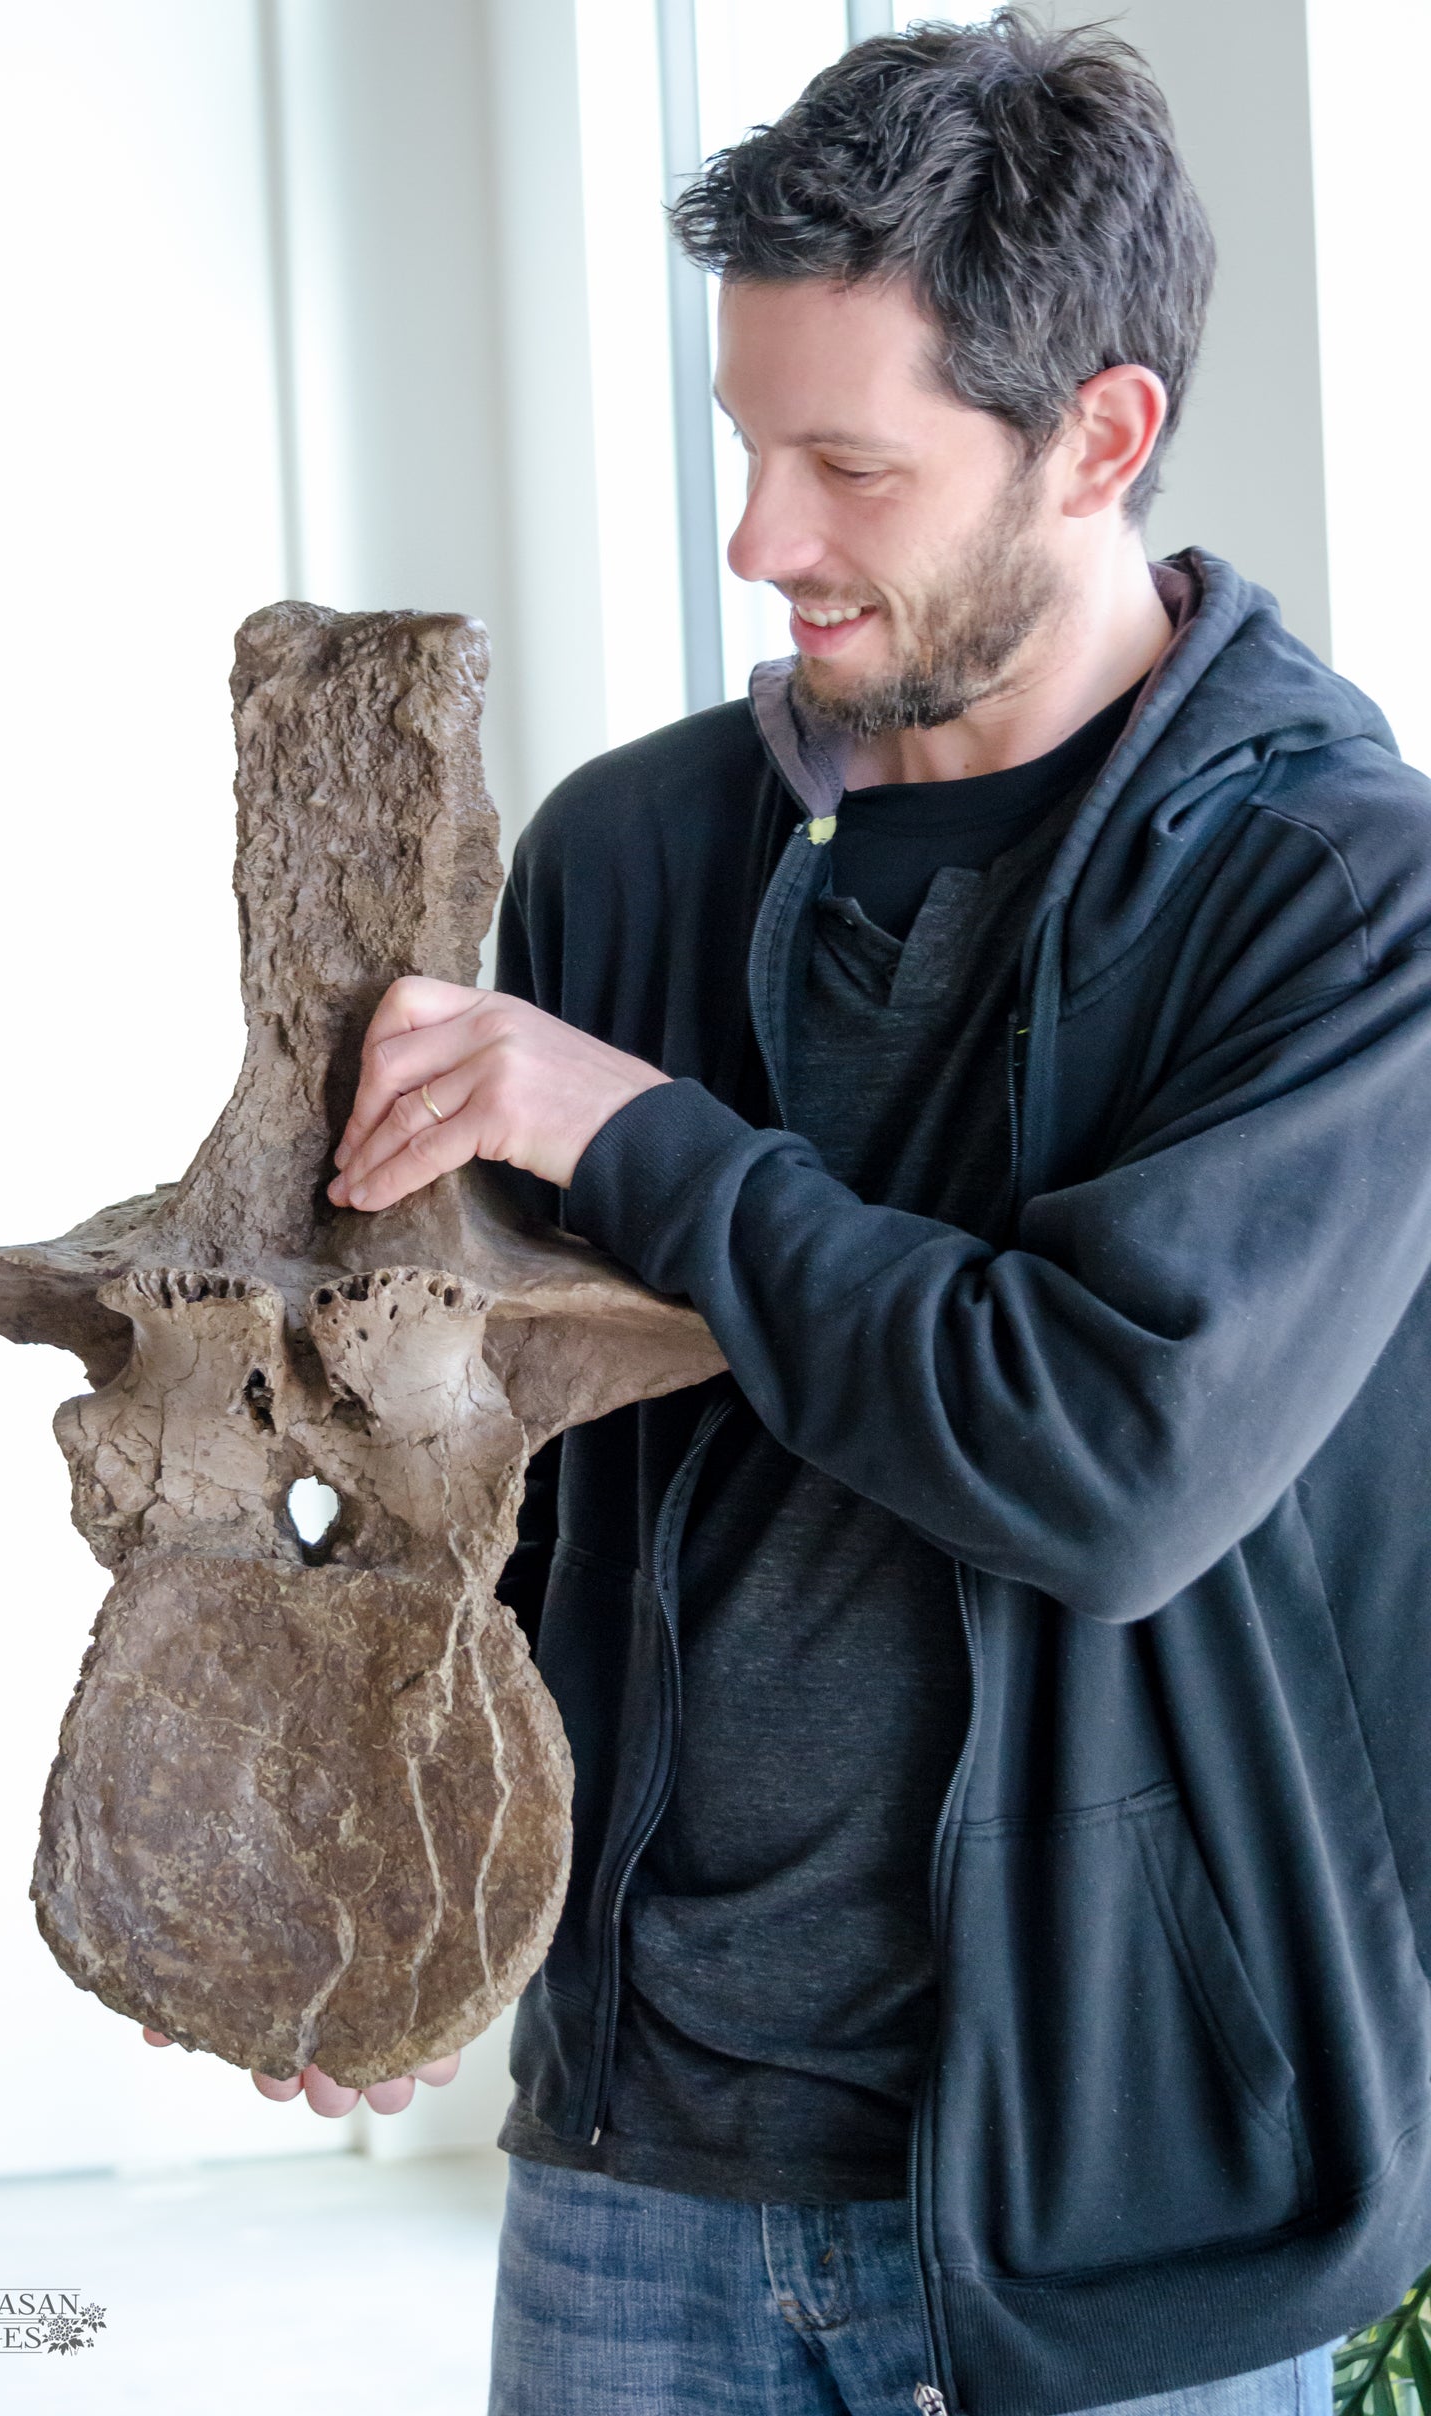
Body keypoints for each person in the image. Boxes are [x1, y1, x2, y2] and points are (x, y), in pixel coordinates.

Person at [158, 12, 1431, 2411]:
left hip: (1116, 2221)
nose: (761, 539)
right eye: (749, 446)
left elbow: (1102, 1452)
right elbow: (503, 1465)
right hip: (639, 2178)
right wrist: (384, 1842)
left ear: (1101, 436)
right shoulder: (632, 857)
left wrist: (634, 1136)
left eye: (848, 464)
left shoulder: (1339, 899)